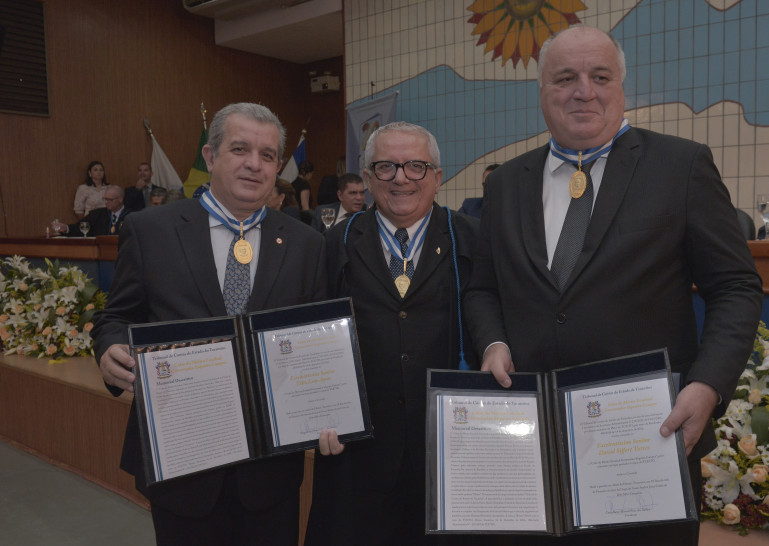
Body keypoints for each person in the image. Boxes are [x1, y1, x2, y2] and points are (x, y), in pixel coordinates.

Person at [464, 26, 763, 545]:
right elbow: (482, 288)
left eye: (599, 76)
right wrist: (492, 342)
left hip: (646, 443)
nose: (584, 90)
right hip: (531, 444)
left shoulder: (681, 165)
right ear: (542, 92)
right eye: (565, 78)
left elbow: (736, 286)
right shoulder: (507, 182)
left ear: (621, 86)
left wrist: (707, 384)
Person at [91, 102, 327, 545]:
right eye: (240, 149)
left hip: (269, 470)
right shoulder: (150, 230)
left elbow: (314, 339)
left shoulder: (307, 243)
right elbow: (116, 316)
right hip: (182, 465)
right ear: (211, 155)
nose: (254, 164)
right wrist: (109, 349)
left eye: (268, 155)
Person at [305, 122, 478, 546]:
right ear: (366, 179)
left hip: (450, 454)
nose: (401, 178)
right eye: (385, 167)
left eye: (416, 166)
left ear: (437, 176)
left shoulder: (473, 240)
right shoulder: (332, 244)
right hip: (358, 455)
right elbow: (309, 338)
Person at [52, 185, 128, 236]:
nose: (106, 202)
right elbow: (80, 227)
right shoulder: (98, 214)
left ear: (120, 199)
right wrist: (66, 228)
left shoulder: (131, 216)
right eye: (105, 199)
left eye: (110, 200)